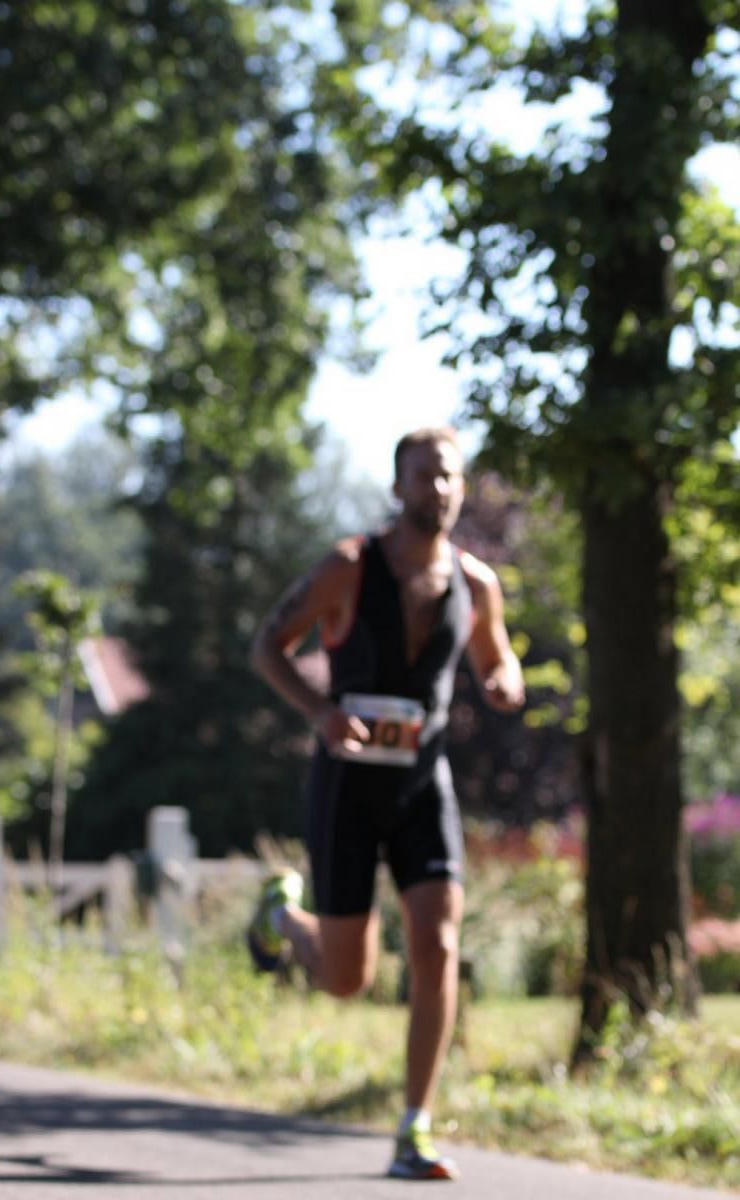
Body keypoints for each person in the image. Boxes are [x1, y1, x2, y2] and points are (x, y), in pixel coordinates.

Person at [248, 426, 525, 1181]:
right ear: (398, 485)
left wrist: (505, 685)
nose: (438, 489)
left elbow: (499, 662)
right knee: (347, 980)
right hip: (347, 781)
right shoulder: (349, 566)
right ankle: (279, 914)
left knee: (437, 939)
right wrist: (321, 713)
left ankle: (414, 1127)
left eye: (450, 477)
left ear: (461, 488)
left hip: (421, 781)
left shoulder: (476, 584)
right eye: (424, 475)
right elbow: (268, 646)